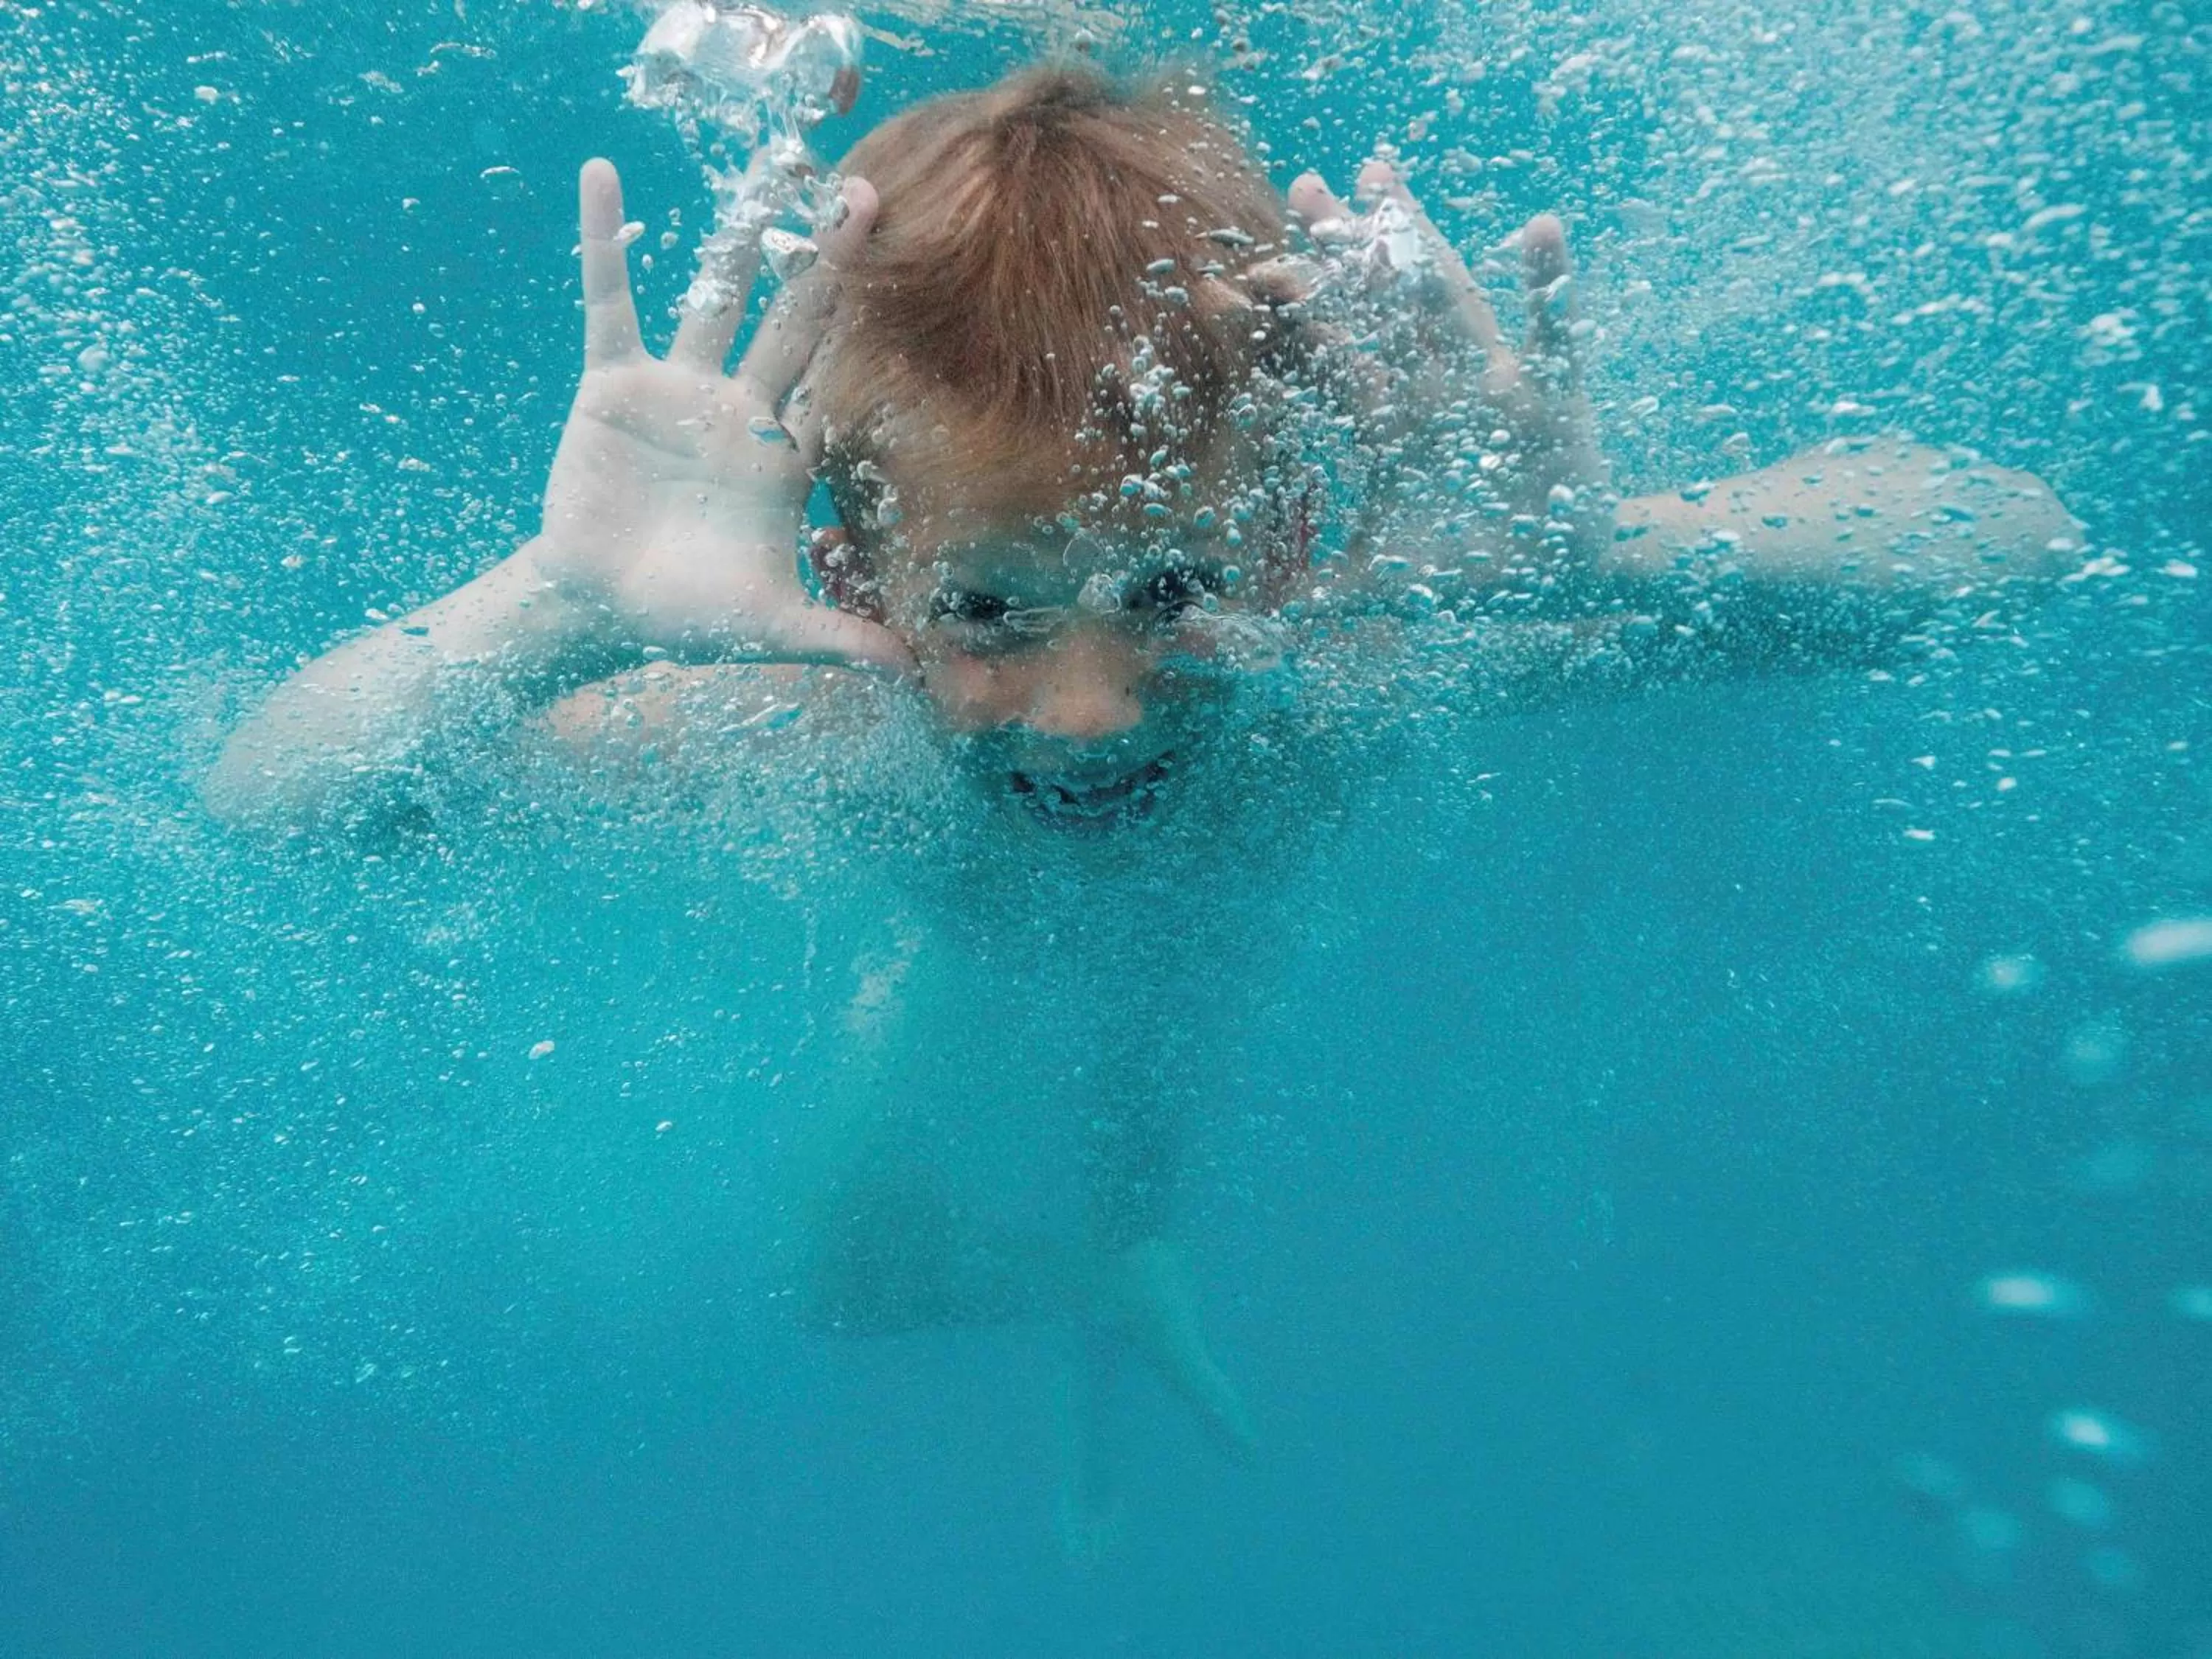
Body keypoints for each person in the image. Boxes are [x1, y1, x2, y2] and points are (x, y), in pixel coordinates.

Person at [204, 64, 2080, 1543]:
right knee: (847, 1279)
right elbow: (270, 802)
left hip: (1215, 941)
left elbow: (2009, 532)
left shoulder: (1370, 673)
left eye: (1170, 594)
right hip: (990, 947)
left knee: (1162, 1040)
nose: (1090, 716)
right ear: (858, 583)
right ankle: (1105, 1270)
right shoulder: (806, 743)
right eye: (994, 613)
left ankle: (1125, 1246)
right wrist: (550, 616)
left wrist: (1601, 556)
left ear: (1279, 538)